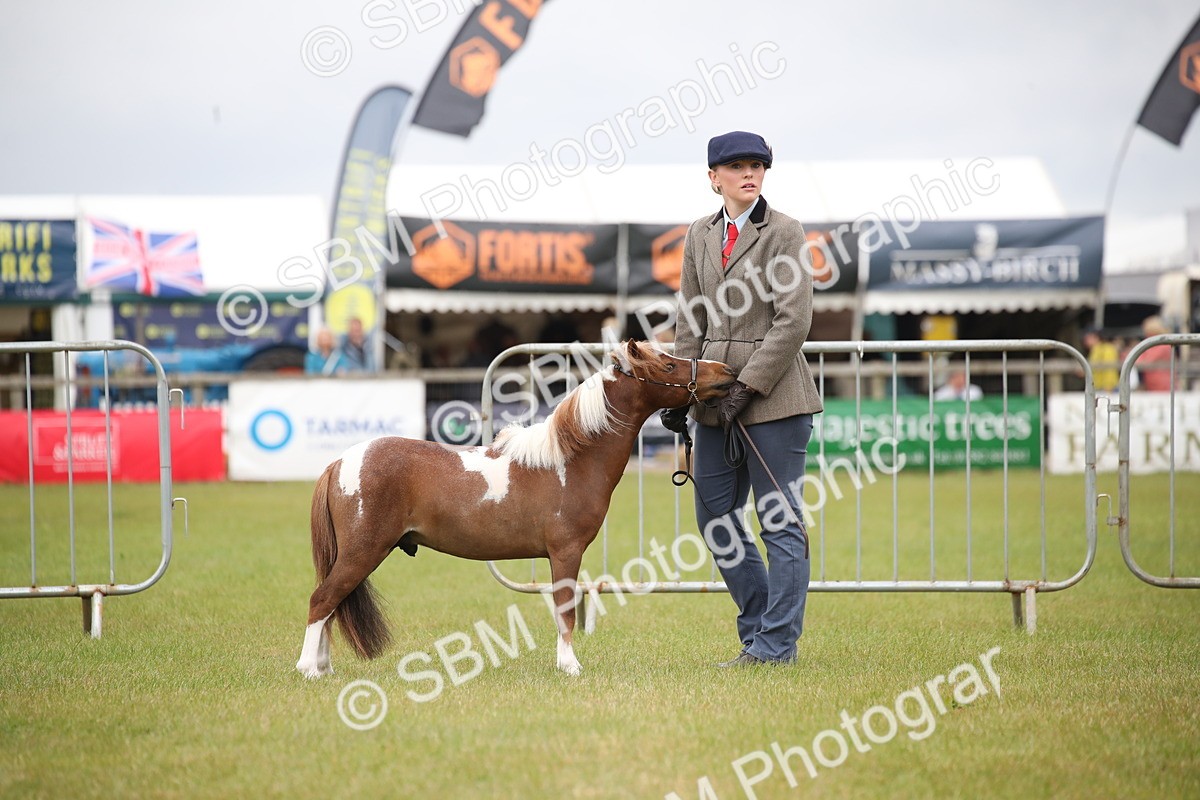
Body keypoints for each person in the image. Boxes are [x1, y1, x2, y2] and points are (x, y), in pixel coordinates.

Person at [661, 131, 823, 667]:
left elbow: (793, 320)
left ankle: (777, 647)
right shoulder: (698, 234)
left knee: (780, 522)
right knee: (716, 522)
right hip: (711, 399)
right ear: (714, 178)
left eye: (757, 165)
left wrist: (748, 386)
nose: (748, 173)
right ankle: (759, 633)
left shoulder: (785, 232)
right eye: (735, 167)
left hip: (775, 398)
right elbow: (690, 320)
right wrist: (682, 390)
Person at [1135, 316, 1174, 392]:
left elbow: (1145, 361)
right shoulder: (1153, 345)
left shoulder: (1163, 345)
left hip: (1162, 385)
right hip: (1152, 384)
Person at [1083, 327, 1120, 393]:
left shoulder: (1106, 348)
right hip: (1100, 387)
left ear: (1095, 337)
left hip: (1107, 388)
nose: (1085, 340)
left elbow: (1109, 369)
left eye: (1087, 337)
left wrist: (1108, 387)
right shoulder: (1096, 349)